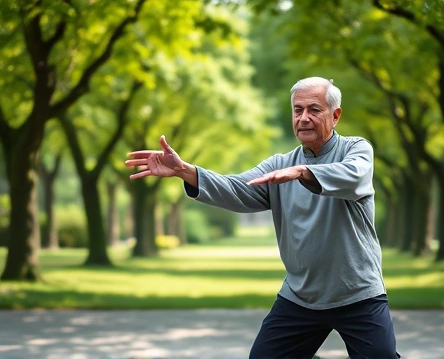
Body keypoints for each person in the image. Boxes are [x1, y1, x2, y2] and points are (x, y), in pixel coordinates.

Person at [125, 76, 400, 359]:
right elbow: (236, 189)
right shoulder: (280, 164)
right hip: (300, 297)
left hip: (358, 294)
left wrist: (304, 172)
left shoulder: (356, 149)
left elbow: (354, 176)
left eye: (314, 110)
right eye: (297, 110)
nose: (304, 118)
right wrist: (185, 170)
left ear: (336, 115)